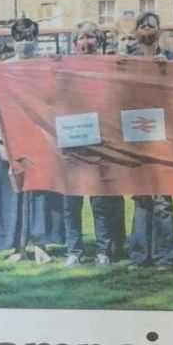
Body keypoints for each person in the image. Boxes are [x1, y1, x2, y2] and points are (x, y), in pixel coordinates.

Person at [0, 18, 64, 263]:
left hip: (39, 136)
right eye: (20, 38)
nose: (25, 43)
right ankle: (17, 247)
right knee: (13, 191)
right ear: (13, 40)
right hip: (9, 136)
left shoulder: (46, 68)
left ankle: (41, 244)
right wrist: (2, 139)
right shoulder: (2, 69)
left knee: (41, 192)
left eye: (30, 37)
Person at [62, 22, 127, 267]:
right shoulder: (65, 67)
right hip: (71, 140)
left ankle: (103, 250)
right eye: (81, 38)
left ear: (98, 42)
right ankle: (74, 251)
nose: (86, 42)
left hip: (99, 140)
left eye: (90, 37)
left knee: (100, 201)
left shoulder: (107, 67)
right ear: (75, 42)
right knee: (71, 202)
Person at [125, 12, 173, 271]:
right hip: (136, 134)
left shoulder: (172, 58)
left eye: (151, 25)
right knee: (141, 196)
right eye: (142, 26)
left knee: (162, 197)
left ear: (159, 31)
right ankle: (139, 256)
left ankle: (167, 256)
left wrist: (167, 73)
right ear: (136, 32)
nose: (147, 30)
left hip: (164, 133)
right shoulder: (127, 60)